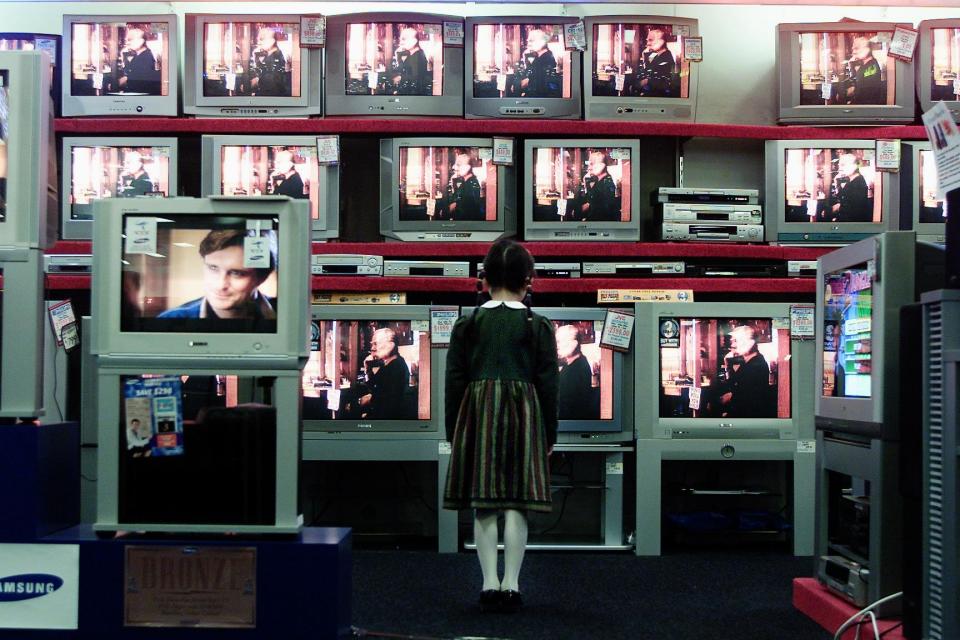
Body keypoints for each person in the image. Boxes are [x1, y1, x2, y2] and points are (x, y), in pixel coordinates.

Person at [443, 238, 558, 614]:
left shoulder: (468, 322)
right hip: (525, 416)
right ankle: (513, 583)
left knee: (484, 503)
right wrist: (549, 434)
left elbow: (454, 382)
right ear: (529, 280)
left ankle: (488, 582)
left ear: (484, 278)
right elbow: (548, 385)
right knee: (517, 503)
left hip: (478, 416)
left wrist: (452, 432)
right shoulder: (537, 325)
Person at [158, 229, 277, 320]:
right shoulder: (171, 319)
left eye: (236, 273)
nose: (220, 285)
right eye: (213, 268)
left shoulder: (287, 317)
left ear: (261, 278)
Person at [358, 327, 415, 420]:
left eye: (375, 344)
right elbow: (373, 387)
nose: (372, 348)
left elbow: (386, 402)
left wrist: (368, 401)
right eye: (372, 345)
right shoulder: (388, 365)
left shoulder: (396, 366)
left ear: (390, 345)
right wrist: (367, 369)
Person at [718, 325, 772, 418]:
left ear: (750, 343)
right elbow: (736, 387)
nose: (733, 345)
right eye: (733, 341)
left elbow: (748, 399)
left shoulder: (756, 365)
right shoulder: (747, 362)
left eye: (737, 341)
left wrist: (730, 398)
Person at [556, 324, 598, 420]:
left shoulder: (577, 368)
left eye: (560, 342)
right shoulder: (574, 363)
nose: (557, 346)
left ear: (574, 344)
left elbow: (569, 405)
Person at [569, 151, 619, 222]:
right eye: (589, 165)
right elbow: (591, 203)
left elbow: (599, 209)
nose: (589, 168)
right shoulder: (599, 182)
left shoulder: (606, 183)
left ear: (601, 165)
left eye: (592, 164)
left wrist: (579, 212)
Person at [436, 154, 482, 221]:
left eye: (459, 165)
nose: (454, 167)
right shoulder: (465, 182)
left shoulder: (471, 184)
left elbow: (467, 207)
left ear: (468, 167)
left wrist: (452, 207)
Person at [515, 29, 559, 98]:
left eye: (531, 40)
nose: (528, 43)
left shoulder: (546, 58)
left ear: (542, 42)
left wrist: (518, 86)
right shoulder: (538, 57)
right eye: (528, 40)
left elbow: (534, 81)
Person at [117, 26, 161, 95]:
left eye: (130, 39)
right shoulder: (137, 55)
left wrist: (120, 82)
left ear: (141, 41)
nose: (128, 43)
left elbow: (138, 80)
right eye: (127, 40)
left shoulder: (146, 57)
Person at [829, 153, 872, 223]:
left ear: (854, 166)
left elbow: (853, 210)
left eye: (843, 165)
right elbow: (844, 200)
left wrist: (836, 214)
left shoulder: (858, 183)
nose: (840, 168)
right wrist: (837, 185)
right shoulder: (851, 181)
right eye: (839, 165)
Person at [249, 27, 290, 97]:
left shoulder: (276, 57)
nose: (259, 42)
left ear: (272, 41)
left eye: (262, 39)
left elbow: (272, 81)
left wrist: (257, 81)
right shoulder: (268, 55)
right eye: (258, 39)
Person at [635, 28, 675, 97]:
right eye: (647, 40)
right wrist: (644, 54)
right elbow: (645, 70)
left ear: (661, 41)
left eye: (651, 40)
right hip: (648, 94)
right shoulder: (653, 54)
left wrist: (646, 81)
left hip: (660, 95)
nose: (647, 43)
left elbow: (663, 80)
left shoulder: (666, 55)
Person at [844, 37, 884, 105]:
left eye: (857, 48)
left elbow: (865, 92)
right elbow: (859, 84)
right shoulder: (864, 65)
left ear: (866, 49)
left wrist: (850, 103)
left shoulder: (871, 67)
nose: (853, 52)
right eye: (853, 49)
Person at [390, 28, 430, 95]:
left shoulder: (418, 55)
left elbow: (416, 76)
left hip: (414, 93)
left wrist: (400, 78)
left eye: (404, 39)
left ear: (414, 40)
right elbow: (402, 69)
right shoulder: (410, 54)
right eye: (401, 39)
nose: (401, 42)